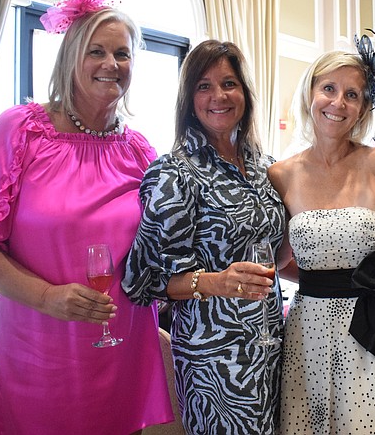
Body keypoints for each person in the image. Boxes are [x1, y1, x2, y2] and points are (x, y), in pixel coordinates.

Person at [0, 0, 173, 434]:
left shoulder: (140, 152)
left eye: (122, 54)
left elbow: (158, 248)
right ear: (70, 58)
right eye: (96, 51)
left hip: (121, 341)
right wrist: (47, 297)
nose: (111, 65)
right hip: (41, 347)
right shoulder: (20, 132)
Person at [122, 40, 286, 435]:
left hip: (272, 341)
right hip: (215, 358)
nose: (218, 96)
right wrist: (216, 282)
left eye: (229, 83)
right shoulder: (174, 174)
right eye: (204, 86)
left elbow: (278, 253)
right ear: (188, 98)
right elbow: (141, 281)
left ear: (245, 92)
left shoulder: (267, 167)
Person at [269, 41, 375, 434]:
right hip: (306, 329)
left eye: (352, 94)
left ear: (363, 107)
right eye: (329, 88)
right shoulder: (281, 174)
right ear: (310, 92)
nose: (338, 103)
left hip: (369, 329)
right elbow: (277, 260)